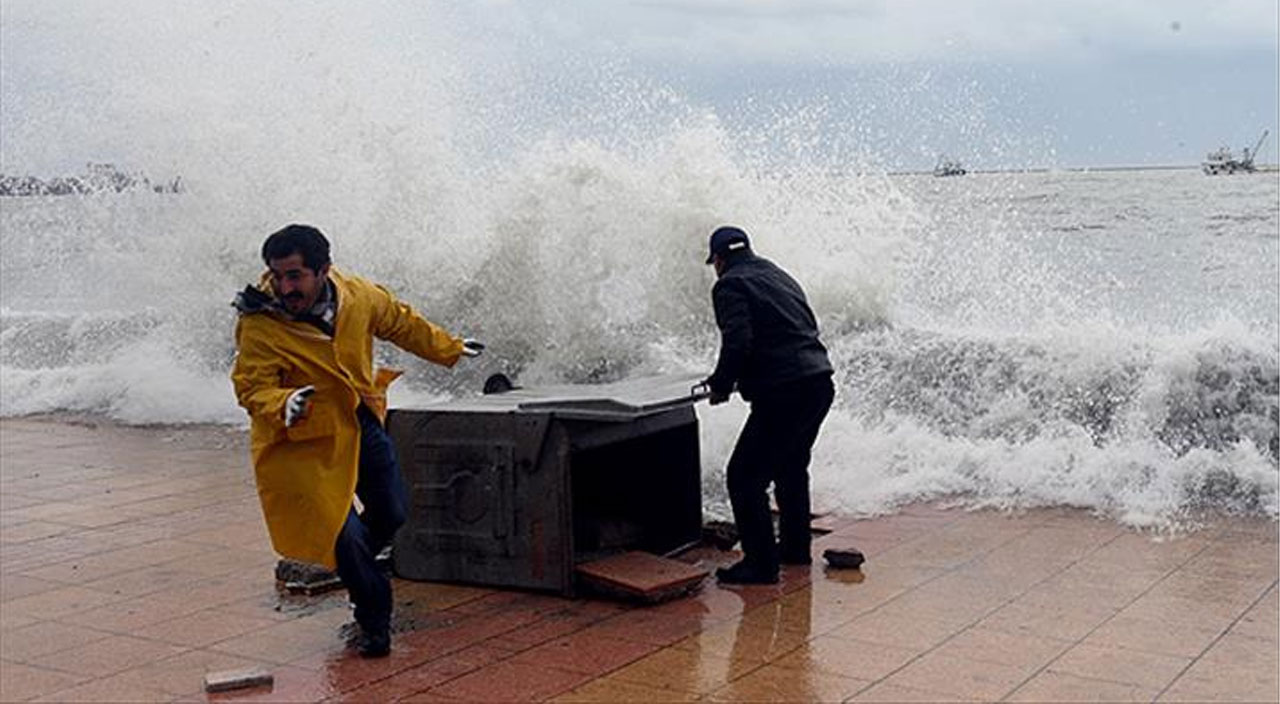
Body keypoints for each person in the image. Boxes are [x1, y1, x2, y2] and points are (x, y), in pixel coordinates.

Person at [230, 224, 483, 657]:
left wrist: (450, 348)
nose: (285, 288)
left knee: (392, 511)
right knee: (343, 535)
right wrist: (283, 401)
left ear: (324, 270)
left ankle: (354, 566)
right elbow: (251, 387)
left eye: (295, 276)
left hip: (358, 419)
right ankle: (373, 620)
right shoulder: (259, 323)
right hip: (301, 440)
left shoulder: (358, 297)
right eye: (277, 275)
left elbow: (401, 322)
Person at [701, 225, 834, 585]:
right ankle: (794, 549)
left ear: (719, 260)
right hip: (819, 382)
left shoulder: (729, 285)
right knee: (791, 468)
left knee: (744, 477)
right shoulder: (778, 275)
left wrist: (721, 385)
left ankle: (760, 565)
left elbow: (738, 341)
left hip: (785, 392)